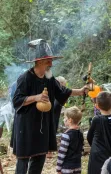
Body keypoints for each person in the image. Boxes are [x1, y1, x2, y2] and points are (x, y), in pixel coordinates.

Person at [10, 39, 88, 174]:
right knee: (23, 160)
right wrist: (36, 97)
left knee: (39, 157)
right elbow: (16, 100)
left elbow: (63, 92)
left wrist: (81, 91)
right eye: (48, 61)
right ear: (39, 62)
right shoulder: (25, 78)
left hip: (42, 125)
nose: (51, 64)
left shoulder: (49, 78)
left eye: (51, 60)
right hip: (26, 126)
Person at [87, 91, 111, 174]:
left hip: (97, 155)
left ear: (97, 106)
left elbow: (89, 137)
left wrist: (95, 146)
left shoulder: (96, 120)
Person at [56, 106, 83, 174]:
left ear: (70, 120)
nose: (64, 119)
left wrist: (58, 169)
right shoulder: (80, 134)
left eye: (65, 118)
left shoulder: (66, 135)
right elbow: (81, 150)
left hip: (66, 167)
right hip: (78, 166)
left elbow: (62, 153)